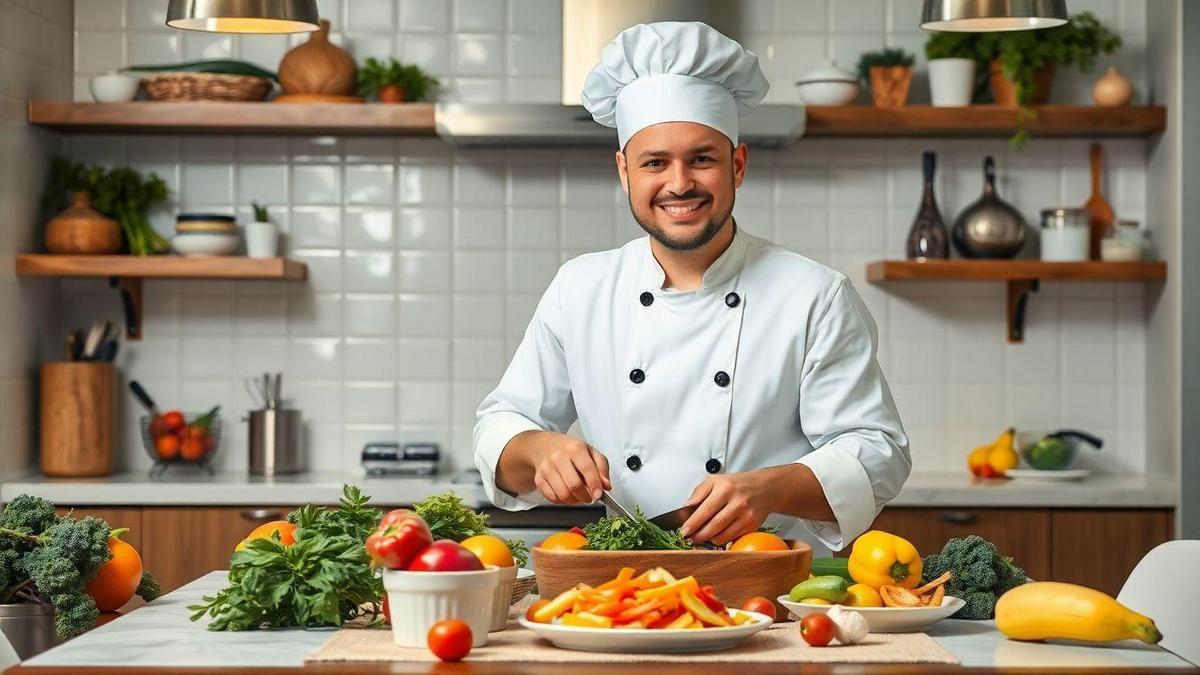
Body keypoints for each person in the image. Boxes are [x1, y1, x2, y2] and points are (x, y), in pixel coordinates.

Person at [473, 22, 909, 554]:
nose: (679, 183)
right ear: (624, 172)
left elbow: (877, 451)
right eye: (654, 162)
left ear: (738, 165)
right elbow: (500, 426)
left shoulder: (815, 295)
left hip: (768, 591)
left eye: (702, 158)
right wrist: (541, 449)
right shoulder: (581, 288)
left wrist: (771, 488)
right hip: (626, 590)